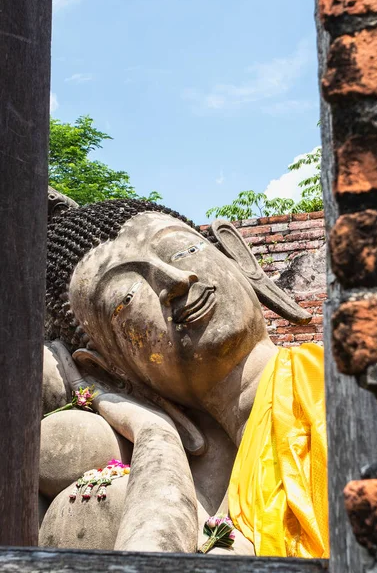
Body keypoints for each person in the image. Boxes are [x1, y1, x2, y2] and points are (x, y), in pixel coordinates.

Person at [40, 198, 328, 557]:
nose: (176, 280)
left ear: (241, 260)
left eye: (183, 249)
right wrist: (153, 432)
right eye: (126, 297)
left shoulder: (346, 385)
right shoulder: (208, 502)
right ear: (109, 369)